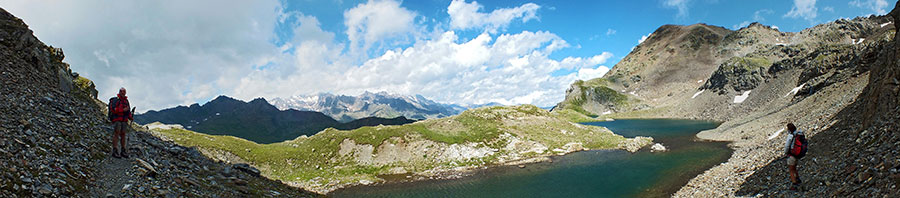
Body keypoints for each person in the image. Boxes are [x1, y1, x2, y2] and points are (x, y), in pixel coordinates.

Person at [110, 87, 133, 158]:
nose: (123, 93)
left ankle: (123, 150)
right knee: (116, 134)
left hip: (124, 120)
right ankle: (115, 150)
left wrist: (130, 117)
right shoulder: (116, 100)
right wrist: (123, 110)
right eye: (122, 92)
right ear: (119, 92)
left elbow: (128, 111)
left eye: (124, 92)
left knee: (123, 135)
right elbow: (114, 109)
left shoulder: (126, 101)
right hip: (117, 119)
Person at [784, 123, 803, 191]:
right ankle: (798, 179)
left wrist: (786, 153)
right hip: (798, 154)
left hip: (792, 154)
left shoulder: (790, 136)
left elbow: (787, 146)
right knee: (794, 167)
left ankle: (794, 184)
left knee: (791, 169)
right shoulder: (799, 134)